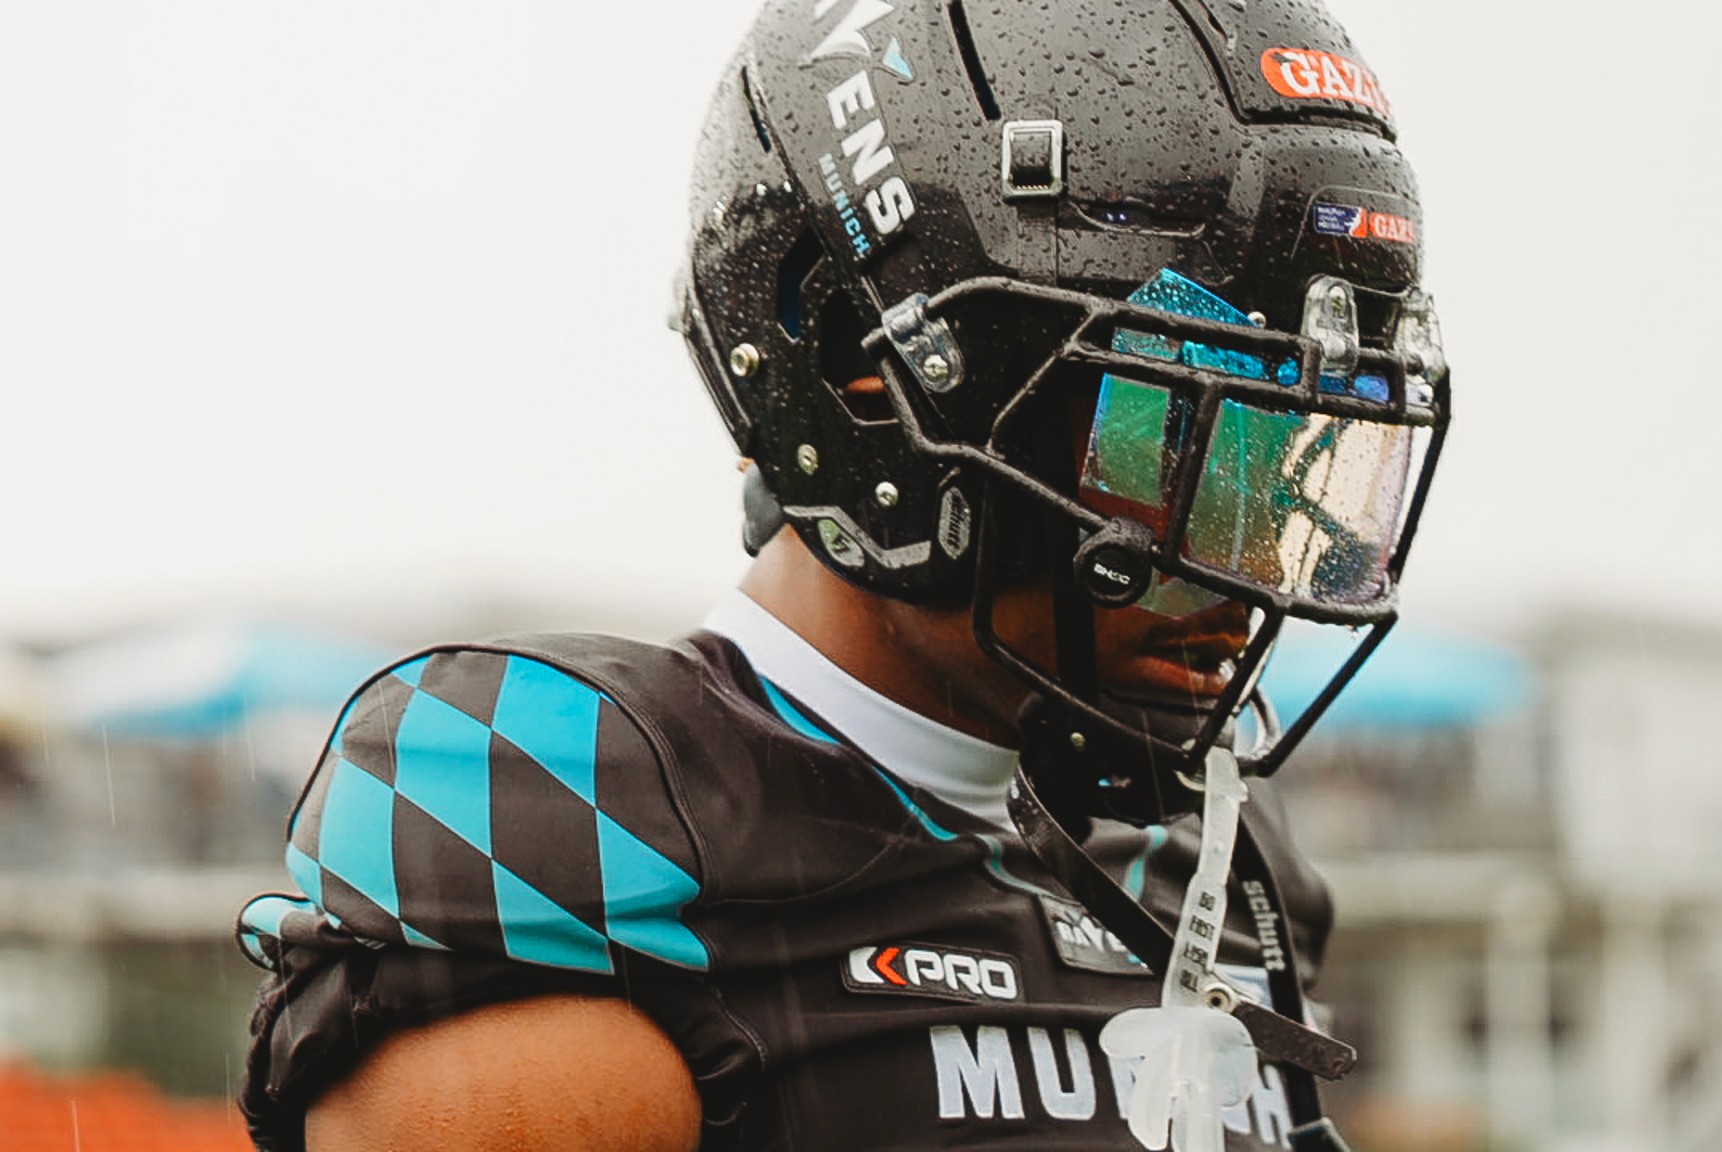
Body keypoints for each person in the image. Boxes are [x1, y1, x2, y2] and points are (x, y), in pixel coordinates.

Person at [234, 1, 1451, 1149]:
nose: (1254, 550)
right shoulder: (592, 823)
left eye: (1301, 446)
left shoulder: (1213, 867)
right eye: (1176, 432)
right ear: (865, 371)